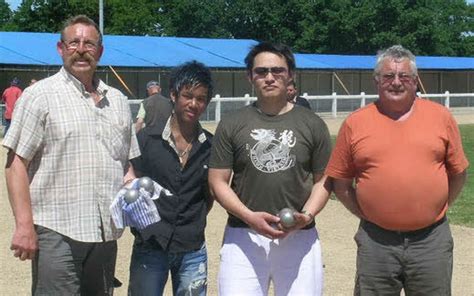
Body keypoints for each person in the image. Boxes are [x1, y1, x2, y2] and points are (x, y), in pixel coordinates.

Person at [2, 15, 140, 295]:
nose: (80, 49)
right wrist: (24, 226)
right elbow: (16, 164)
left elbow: (124, 163)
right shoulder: (39, 96)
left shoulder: (118, 101)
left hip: (105, 232)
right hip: (57, 230)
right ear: (60, 48)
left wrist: (133, 190)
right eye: (73, 42)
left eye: (89, 44)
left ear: (99, 52)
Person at [325, 45, 469, 295]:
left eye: (404, 76)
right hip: (376, 241)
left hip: (430, 240)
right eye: (388, 76)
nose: (396, 82)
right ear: (376, 81)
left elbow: (457, 173)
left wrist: (436, 207)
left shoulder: (440, 117)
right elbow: (342, 184)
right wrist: (368, 215)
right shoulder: (355, 123)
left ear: (415, 81)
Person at [208, 42, 332, 295]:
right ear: (250, 77)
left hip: (300, 236)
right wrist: (248, 216)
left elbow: (324, 180)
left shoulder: (312, 124)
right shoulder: (232, 124)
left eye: (277, 71)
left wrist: (305, 216)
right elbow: (218, 181)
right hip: (244, 236)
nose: (269, 77)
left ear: (290, 75)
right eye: (261, 71)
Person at [128, 60, 214, 295]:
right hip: (151, 243)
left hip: (192, 248)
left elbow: (209, 196)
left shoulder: (210, 146)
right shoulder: (147, 140)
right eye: (187, 96)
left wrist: (191, 221)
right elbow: (131, 182)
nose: (193, 104)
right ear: (174, 95)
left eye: (201, 98)